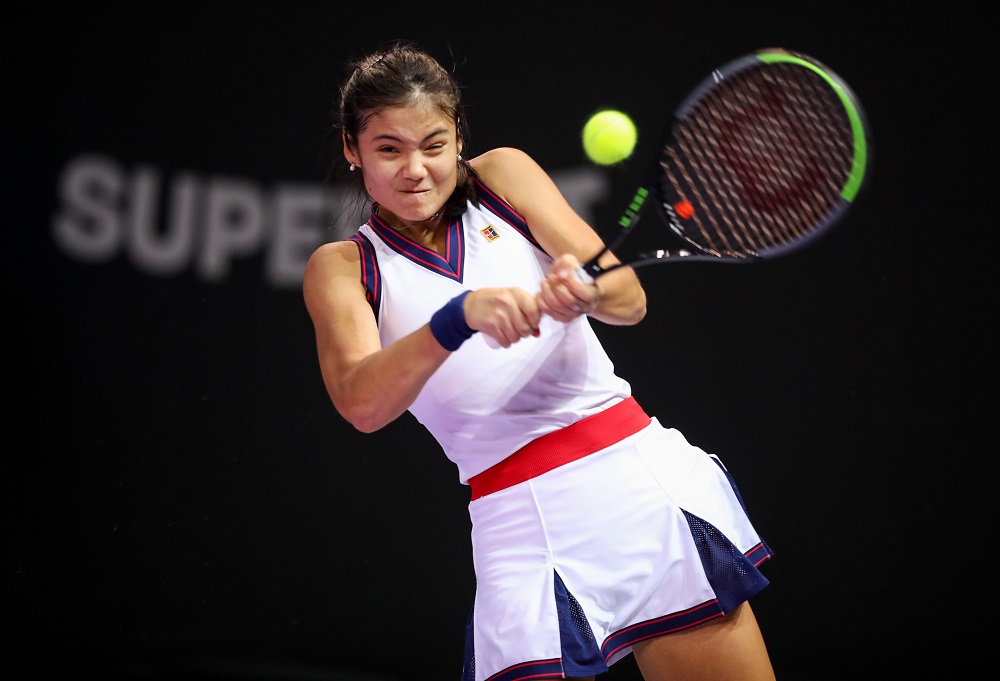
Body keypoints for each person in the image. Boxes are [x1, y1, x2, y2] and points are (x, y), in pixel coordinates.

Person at [303, 40, 777, 681]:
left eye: (434, 145)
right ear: (351, 150)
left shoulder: (504, 175)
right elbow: (361, 403)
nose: (415, 169)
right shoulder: (342, 267)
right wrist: (457, 317)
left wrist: (583, 287)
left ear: (460, 139)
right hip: (516, 523)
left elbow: (627, 299)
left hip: (633, 481)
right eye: (389, 149)